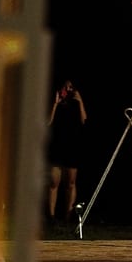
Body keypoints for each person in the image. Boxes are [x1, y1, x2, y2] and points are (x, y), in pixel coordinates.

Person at [47, 79, 86, 221]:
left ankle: (68, 215)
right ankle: (51, 216)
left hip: (72, 146)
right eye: (66, 87)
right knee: (54, 181)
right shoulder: (55, 103)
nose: (68, 90)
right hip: (57, 145)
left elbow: (84, 121)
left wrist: (80, 101)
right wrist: (55, 104)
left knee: (70, 182)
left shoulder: (76, 104)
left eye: (71, 87)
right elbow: (48, 122)